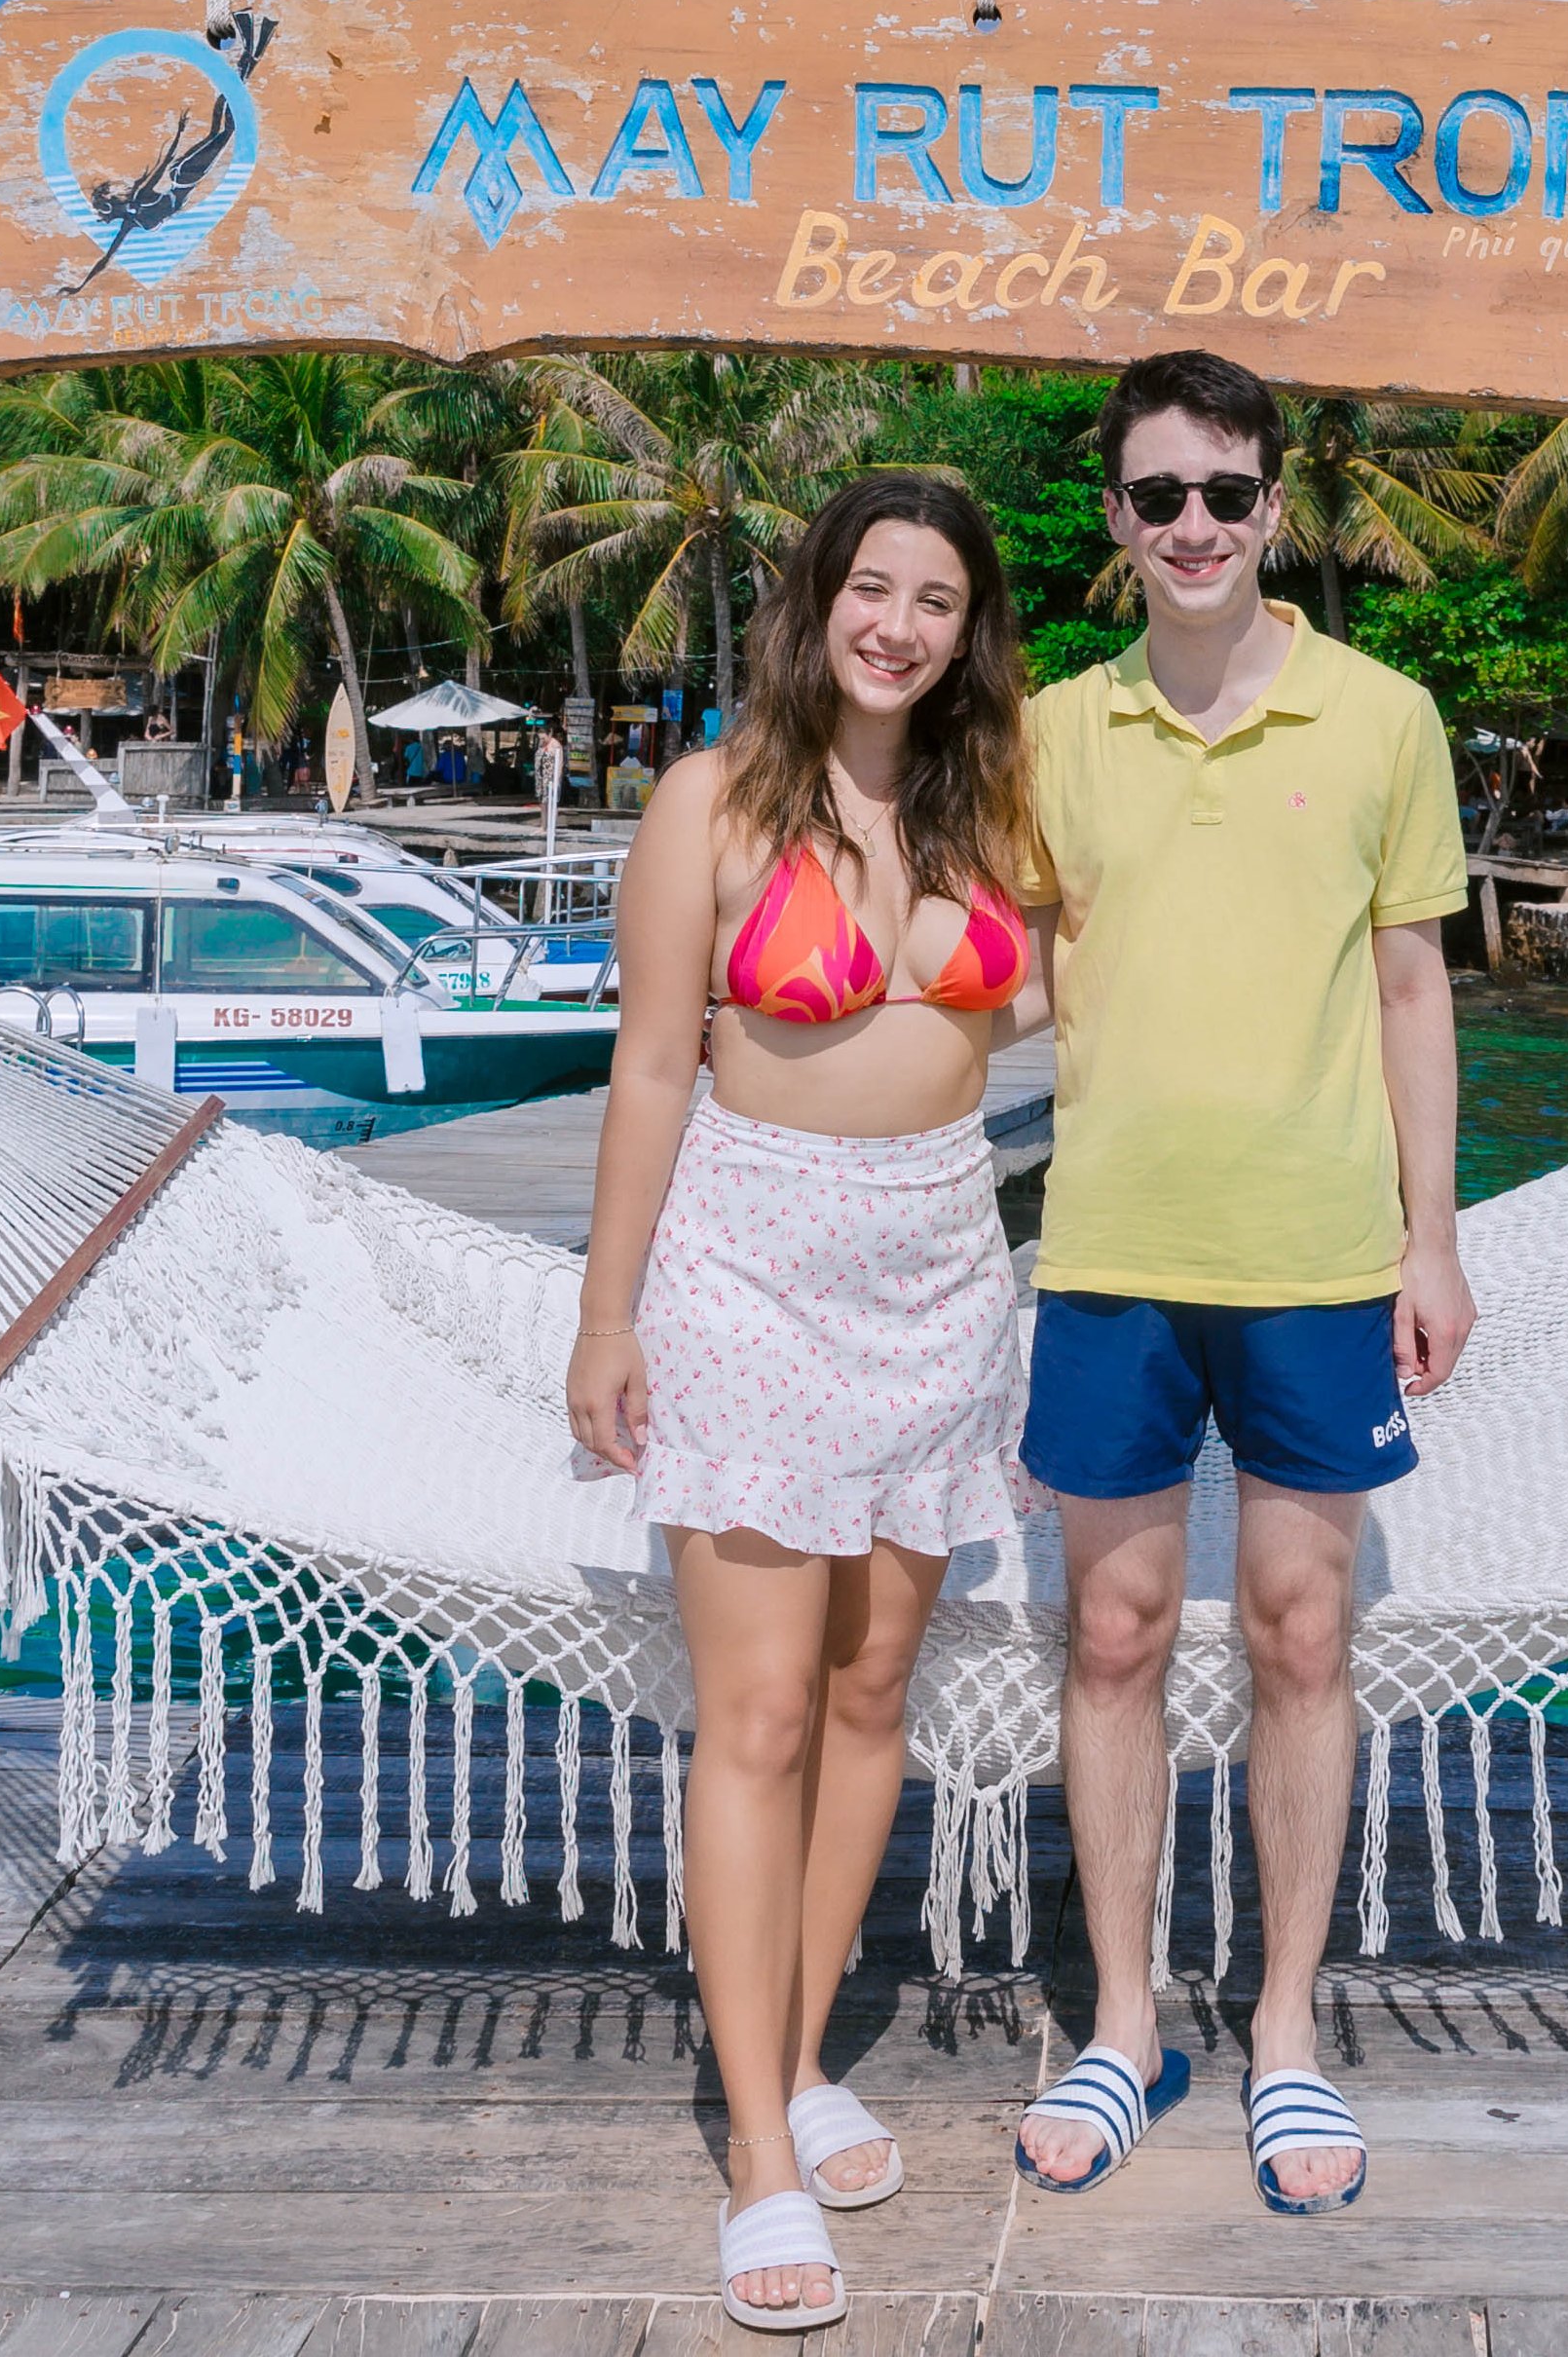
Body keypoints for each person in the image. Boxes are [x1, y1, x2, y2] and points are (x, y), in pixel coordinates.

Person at [567, 474, 1048, 2331]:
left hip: (941, 1271)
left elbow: (1124, 991)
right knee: (759, 1708)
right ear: (816, 600)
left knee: (870, 1693)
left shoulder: (998, 807)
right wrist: (608, 1316)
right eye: (873, 585)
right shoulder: (714, 801)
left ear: (968, 628)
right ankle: (761, 2143)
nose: (900, 624)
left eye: (938, 597)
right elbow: (647, 1075)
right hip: (752, 1268)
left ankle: (798, 2047)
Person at [1007, 350, 1468, 2224]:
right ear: (1114, 519)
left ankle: (1285, 2024)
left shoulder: (1384, 715)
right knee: (1109, 1640)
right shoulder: (1050, 727)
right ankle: (1125, 2019)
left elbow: (1416, 989)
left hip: (1316, 1257)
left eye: (1223, 492)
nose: (1190, 525)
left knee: (1300, 1633)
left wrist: (1433, 1231)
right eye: (1155, 495)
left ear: (1275, 507)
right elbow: (1012, 977)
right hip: (1107, 1246)